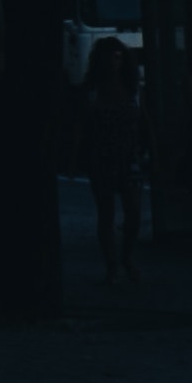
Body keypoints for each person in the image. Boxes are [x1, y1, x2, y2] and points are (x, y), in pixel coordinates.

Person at [80, 38, 145, 284]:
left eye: (117, 57)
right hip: (102, 156)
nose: (113, 62)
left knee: (133, 212)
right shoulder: (93, 91)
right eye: (109, 57)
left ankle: (126, 256)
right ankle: (113, 264)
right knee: (106, 214)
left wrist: (154, 152)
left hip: (129, 156)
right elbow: (81, 126)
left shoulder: (132, 88)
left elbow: (144, 121)